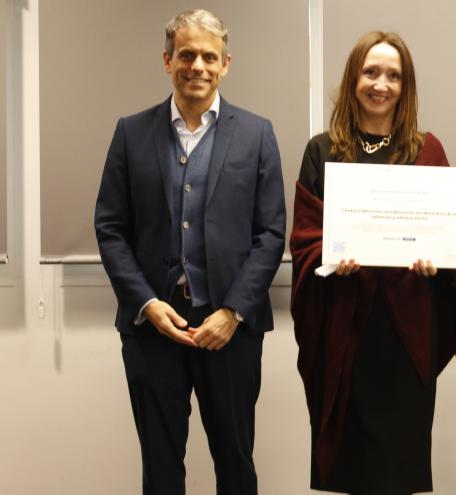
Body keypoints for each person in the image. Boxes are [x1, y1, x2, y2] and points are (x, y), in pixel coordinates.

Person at [94, 9, 286, 495]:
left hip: (231, 331)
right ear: (166, 60)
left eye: (208, 56)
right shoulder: (130, 133)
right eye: (186, 55)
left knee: (236, 465)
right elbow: (110, 228)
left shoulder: (257, 134)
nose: (197, 65)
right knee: (160, 469)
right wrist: (146, 303)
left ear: (226, 63)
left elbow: (271, 233)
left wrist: (233, 312)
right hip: (152, 329)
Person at [290, 31, 456, 495]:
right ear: (353, 79)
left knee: (399, 468)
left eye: (393, 75)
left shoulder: (427, 151)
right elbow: (306, 239)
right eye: (371, 72)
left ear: (405, 86)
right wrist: (331, 260)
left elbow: (447, 238)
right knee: (351, 467)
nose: (381, 84)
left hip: (404, 336)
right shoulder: (322, 150)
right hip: (345, 333)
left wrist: (438, 262)